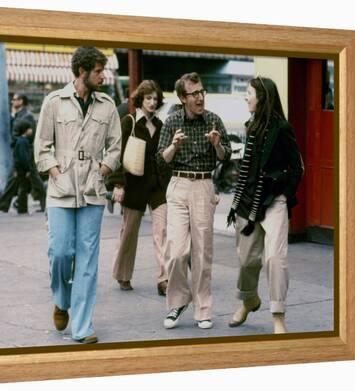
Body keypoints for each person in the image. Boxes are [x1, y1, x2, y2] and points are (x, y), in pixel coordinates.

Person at [34, 46, 121, 344]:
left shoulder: (107, 105)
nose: (103, 75)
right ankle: (61, 300)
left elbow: (115, 147)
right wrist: (55, 173)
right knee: (60, 253)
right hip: (60, 191)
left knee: (87, 261)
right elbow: (41, 146)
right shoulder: (54, 102)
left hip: (93, 192)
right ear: (81, 71)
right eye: (98, 71)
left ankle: (82, 327)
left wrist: (104, 170)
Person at [226, 76, 303, 334]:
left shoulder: (282, 128)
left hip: (274, 201)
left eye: (249, 93)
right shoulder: (251, 126)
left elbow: (297, 168)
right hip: (248, 202)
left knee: (275, 258)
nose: (246, 97)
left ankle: (278, 315)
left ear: (262, 97)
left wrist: (284, 193)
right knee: (247, 259)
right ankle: (249, 300)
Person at [157, 72, 231, 330]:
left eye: (202, 92)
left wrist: (217, 144)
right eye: (194, 94)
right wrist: (174, 147)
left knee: (202, 252)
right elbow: (161, 159)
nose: (200, 98)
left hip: (203, 184)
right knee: (177, 251)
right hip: (178, 184)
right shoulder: (172, 122)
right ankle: (178, 302)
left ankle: (203, 309)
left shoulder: (214, 120)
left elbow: (225, 156)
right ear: (182, 97)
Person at [108, 80, 171, 295]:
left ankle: (165, 279)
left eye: (155, 99)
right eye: (148, 98)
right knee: (129, 232)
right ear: (140, 100)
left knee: (162, 231)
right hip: (133, 184)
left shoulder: (162, 127)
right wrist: (118, 184)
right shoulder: (130, 122)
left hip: (157, 186)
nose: (152, 103)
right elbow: (117, 154)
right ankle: (123, 275)